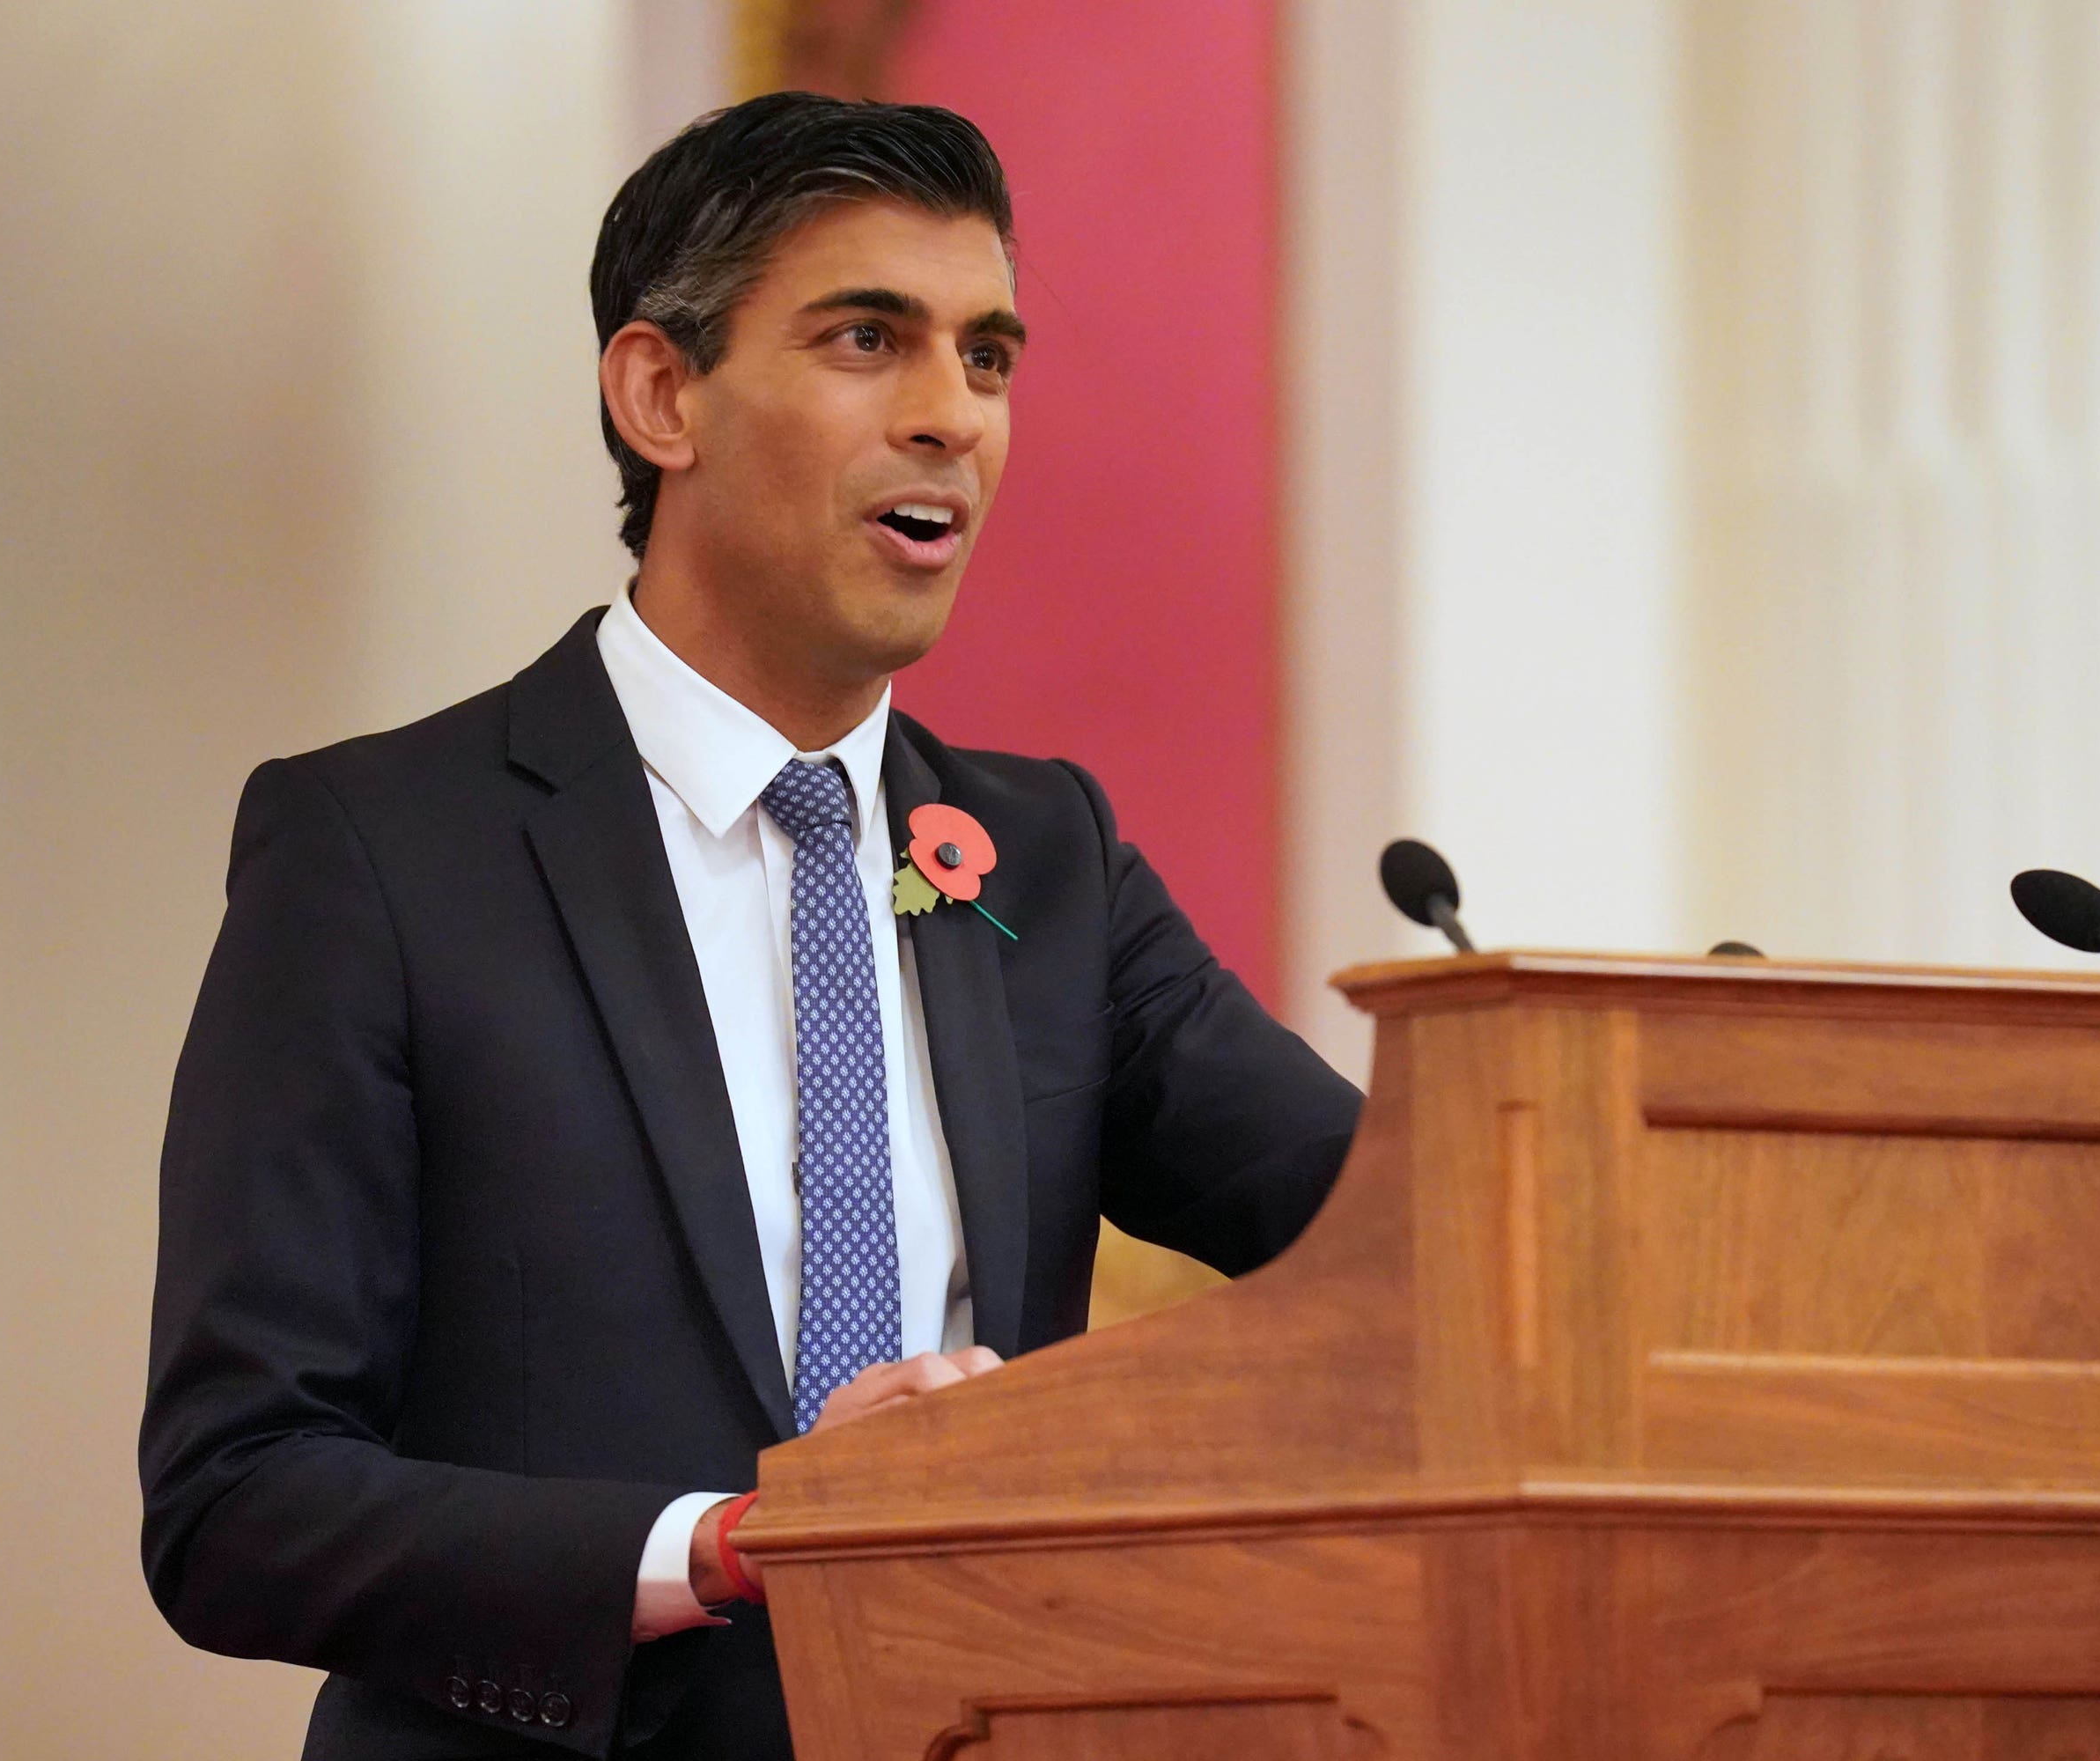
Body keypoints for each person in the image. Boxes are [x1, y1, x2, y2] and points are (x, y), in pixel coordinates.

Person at [139, 93, 1359, 1760]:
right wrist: (727, 1547)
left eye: (989, 358)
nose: (953, 418)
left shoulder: (1041, 863)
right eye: (872, 339)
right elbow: (236, 1500)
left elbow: (1388, 1238)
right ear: (661, 394)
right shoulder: (381, 854)